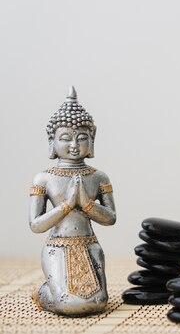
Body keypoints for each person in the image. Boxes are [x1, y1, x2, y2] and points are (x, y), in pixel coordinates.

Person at [29, 86, 116, 316]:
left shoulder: (98, 177)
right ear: (52, 140)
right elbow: (36, 225)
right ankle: (44, 291)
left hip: (89, 245)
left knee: (98, 303)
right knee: (66, 303)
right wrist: (67, 204)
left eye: (82, 137)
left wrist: (86, 203)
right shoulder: (44, 178)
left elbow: (111, 219)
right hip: (57, 247)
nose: (74, 145)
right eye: (65, 138)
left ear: (92, 138)